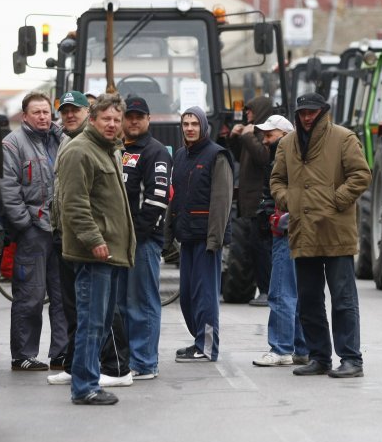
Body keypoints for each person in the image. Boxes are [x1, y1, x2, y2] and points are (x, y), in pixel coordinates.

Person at [270, 92, 371, 378]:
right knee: (309, 299)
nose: (306, 117)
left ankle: (351, 359)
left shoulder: (343, 138)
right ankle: (319, 357)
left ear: (322, 111)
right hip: (303, 232)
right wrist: (289, 200)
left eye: (312, 112)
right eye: (302, 112)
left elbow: (361, 175)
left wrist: (335, 200)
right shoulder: (286, 144)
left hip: (336, 231)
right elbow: (276, 179)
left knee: (343, 299)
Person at [48, 91, 132, 388]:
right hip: (93, 253)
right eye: (105, 119)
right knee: (91, 323)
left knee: (98, 322)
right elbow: (74, 203)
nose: (111, 124)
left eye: (116, 119)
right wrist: (93, 239)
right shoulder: (80, 151)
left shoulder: (107, 150)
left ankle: (89, 382)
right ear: (92, 120)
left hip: (110, 253)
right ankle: (84, 387)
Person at [1, 90, 68, 371]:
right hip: (33, 231)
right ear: (25, 116)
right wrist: (24, 224)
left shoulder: (62, 140)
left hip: (60, 230)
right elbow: (8, 187)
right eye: (37, 112)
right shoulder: (13, 144)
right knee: (30, 295)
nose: (43, 117)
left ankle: (61, 353)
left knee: (63, 295)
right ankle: (23, 355)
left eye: (46, 112)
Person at [166, 106, 233, 362]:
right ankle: (198, 341)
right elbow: (175, 197)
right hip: (187, 236)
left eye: (195, 123)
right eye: (186, 124)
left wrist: (215, 240)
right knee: (188, 296)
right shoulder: (181, 156)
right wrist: (168, 234)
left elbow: (221, 202)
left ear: (204, 126)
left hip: (207, 239)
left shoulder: (218, 156)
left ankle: (207, 347)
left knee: (205, 297)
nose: (190, 128)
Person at [118, 96, 172, 379]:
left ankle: (145, 362)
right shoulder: (118, 149)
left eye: (140, 116)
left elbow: (158, 199)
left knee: (142, 302)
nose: (134, 121)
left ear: (149, 119)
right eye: (129, 116)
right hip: (119, 241)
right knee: (121, 304)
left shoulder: (156, 152)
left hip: (143, 240)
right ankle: (127, 360)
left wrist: (135, 235)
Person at [250, 115, 310, 367]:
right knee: (294, 292)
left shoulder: (284, 161)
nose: (265, 140)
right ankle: (301, 348)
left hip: (286, 233)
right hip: (293, 233)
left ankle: (281, 348)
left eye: (270, 135)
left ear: (284, 136)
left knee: (281, 292)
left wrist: (274, 217)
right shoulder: (288, 158)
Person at [226, 95, 275, 306]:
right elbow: (240, 157)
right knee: (252, 246)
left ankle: (266, 289)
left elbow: (263, 158)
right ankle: (260, 289)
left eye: (250, 110)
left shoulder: (265, 136)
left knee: (261, 246)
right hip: (248, 202)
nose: (247, 114)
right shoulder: (251, 134)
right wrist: (234, 138)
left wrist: (247, 136)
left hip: (260, 202)